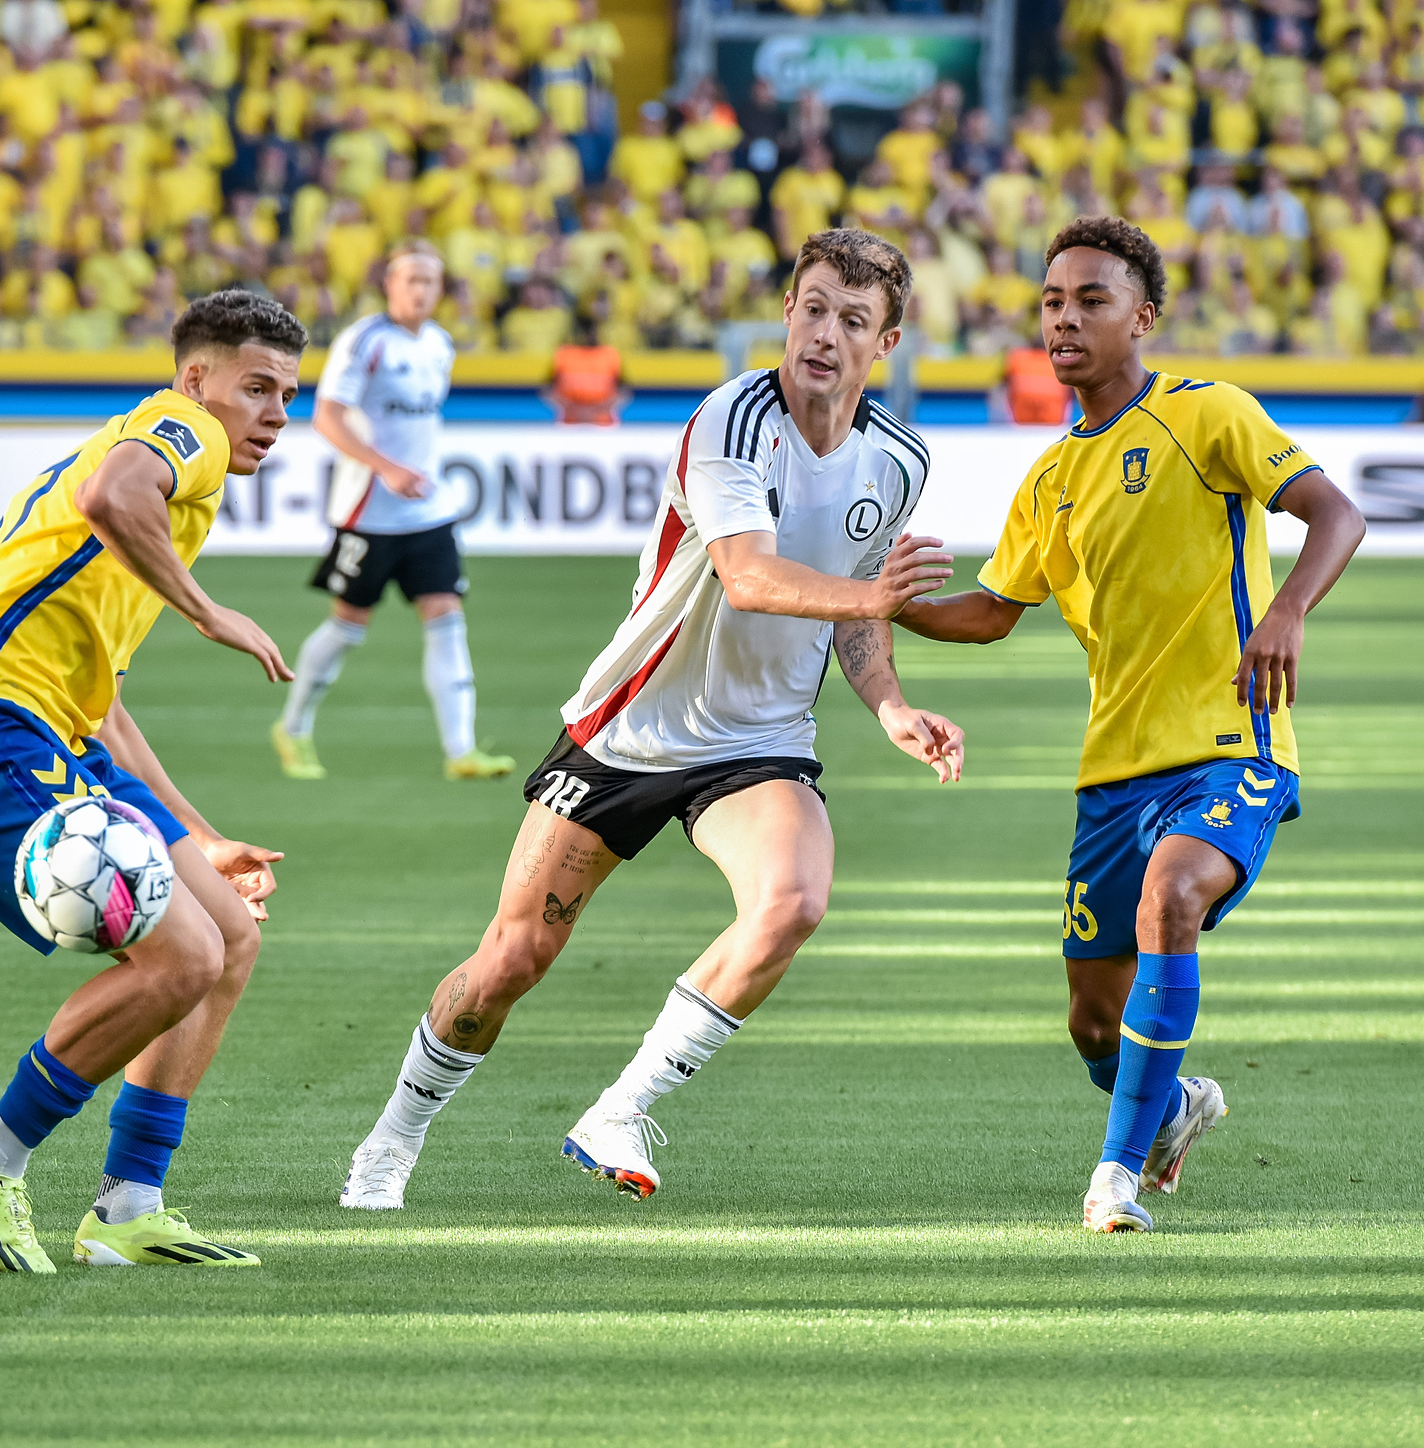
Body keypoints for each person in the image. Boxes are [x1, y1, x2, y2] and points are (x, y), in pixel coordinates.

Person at [338, 229, 966, 1210]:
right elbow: (751, 578)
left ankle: (621, 1107)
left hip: (757, 744)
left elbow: (854, 610)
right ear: (787, 312)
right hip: (628, 727)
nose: (823, 333)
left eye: (852, 319)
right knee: (510, 959)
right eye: (809, 308)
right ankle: (392, 1137)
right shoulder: (730, 419)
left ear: (885, 342)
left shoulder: (897, 460)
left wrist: (888, 702)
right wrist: (875, 603)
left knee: (792, 901)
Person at [895, 217, 1367, 1233]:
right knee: (1089, 1019)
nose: (1064, 318)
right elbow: (989, 611)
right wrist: (880, 603)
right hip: (1114, 772)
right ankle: (1173, 1102)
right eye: (1052, 302)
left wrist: (1285, 611)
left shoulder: (1206, 417)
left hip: (1233, 744)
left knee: (1172, 897)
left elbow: (1336, 513)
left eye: (1091, 299)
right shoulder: (1052, 479)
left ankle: (1112, 1178)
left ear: (1142, 318)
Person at [0, 290, 309, 1272]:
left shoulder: (153, 501)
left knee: (230, 935)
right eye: (256, 386)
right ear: (194, 379)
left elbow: (104, 704)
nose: (275, 412)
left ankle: (129, 1204)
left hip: (43, 729)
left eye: (287, 392)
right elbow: (115, 493)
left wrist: (198, 834)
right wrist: (210, 613)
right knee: (180, 958)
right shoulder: (178, 435)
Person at [272, 240, 517, 782]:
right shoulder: (366, 341)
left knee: (447, 619)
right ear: (389, 284)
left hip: (429, 512)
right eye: (411, 280)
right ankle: (293, 728)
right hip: (368, 513)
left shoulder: (440, 344)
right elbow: (328, 417)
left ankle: (462, 751)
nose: (421, 290)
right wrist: (384, 467)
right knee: (348, 625)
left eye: (430, 281)